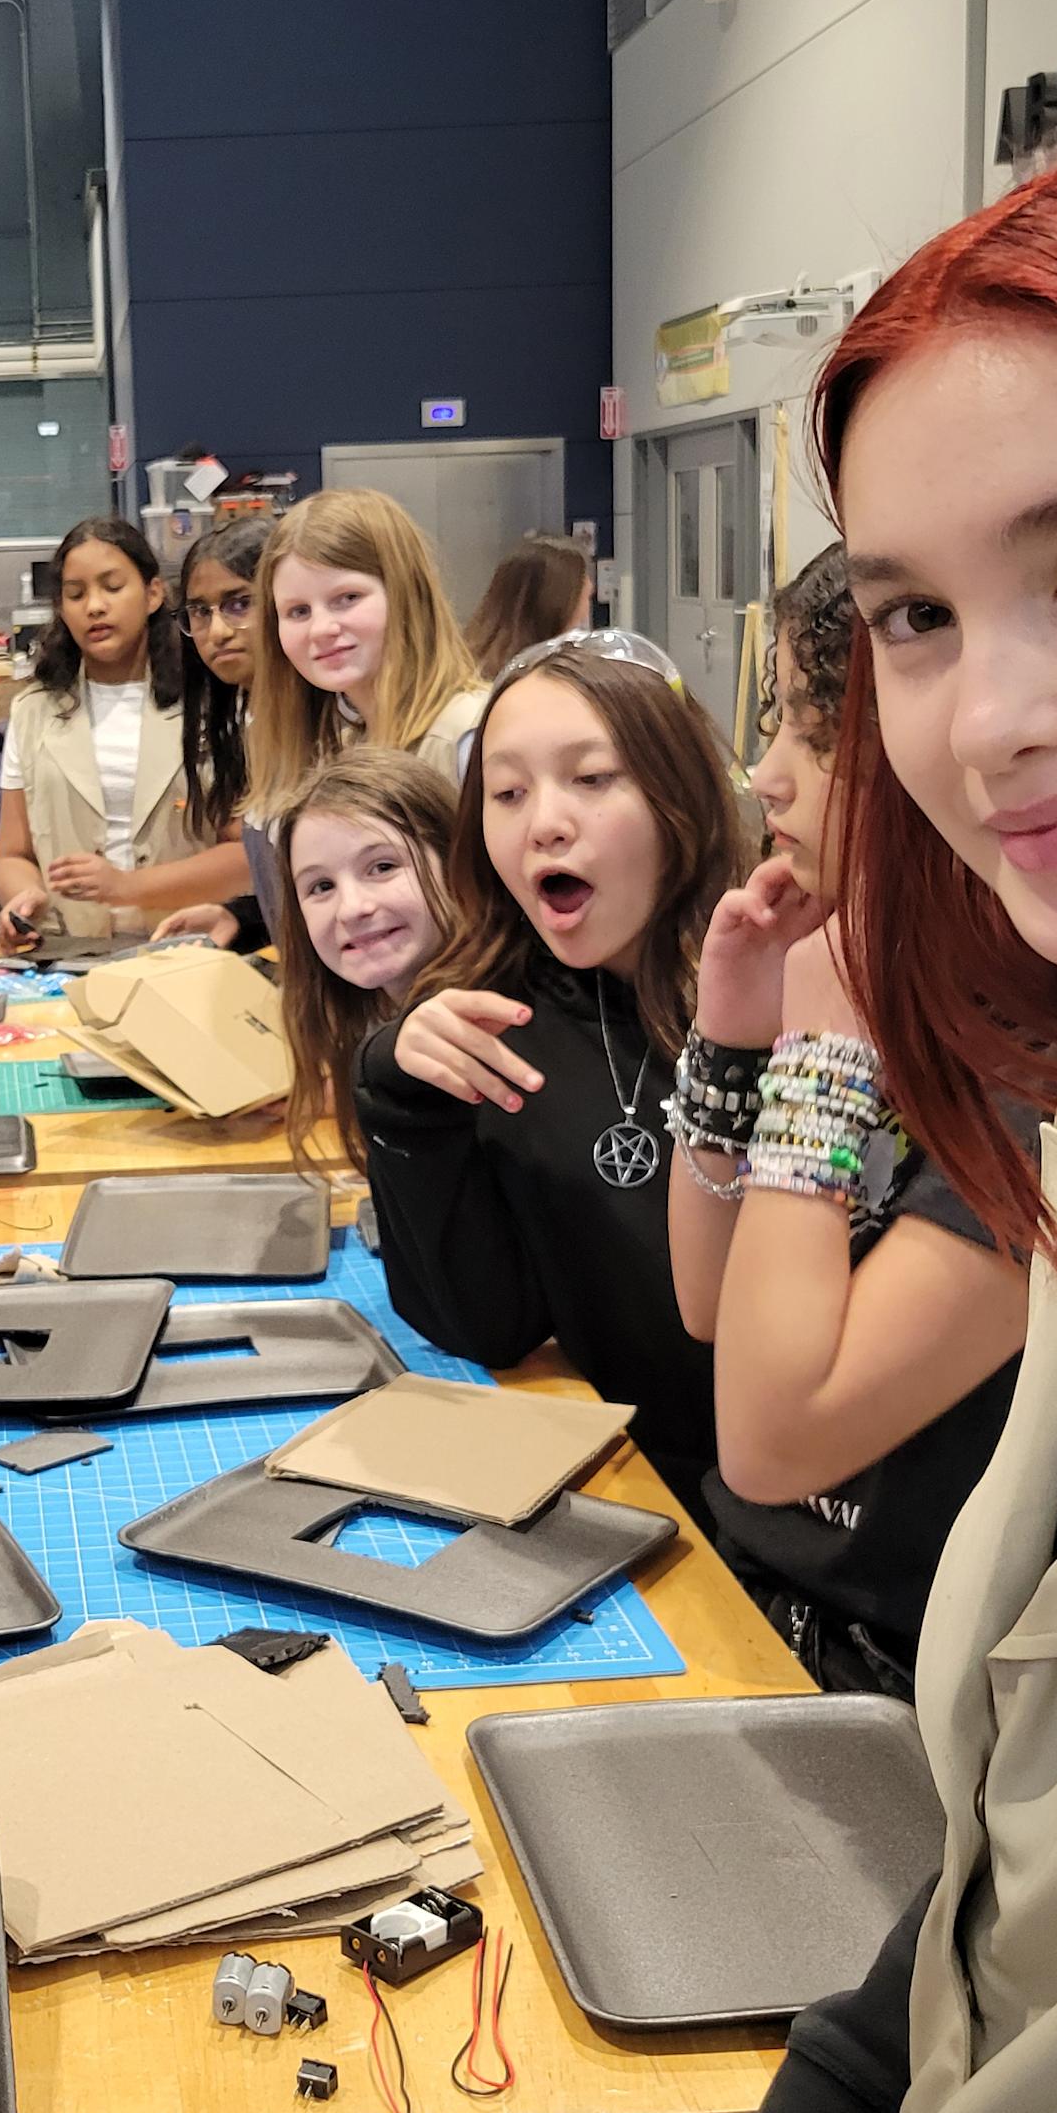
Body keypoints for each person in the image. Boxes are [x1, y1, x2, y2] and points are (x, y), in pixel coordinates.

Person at [630, 95, 1057, 2113]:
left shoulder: (1024, 1075)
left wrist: (819, 1046)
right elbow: (1019, 1873)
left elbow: (772, 1416)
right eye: (915, 621)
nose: (982, 723)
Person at [662, 545, 1028, 1697]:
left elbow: (774, 1441)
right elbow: (708, 1303)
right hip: (754, 1602)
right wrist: (733, 1035)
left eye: (812, 737)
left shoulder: (1035, 1065)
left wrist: (818, 1057)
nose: (766, 776)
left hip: (895, 1682)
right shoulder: (871, 983)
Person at [356, 639, 745, 1520]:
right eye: (507, 793)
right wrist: (398, 1094)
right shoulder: (498, 1019)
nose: (544, 824)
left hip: (806, 1522)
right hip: (625, 1498)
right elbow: (486, 1325)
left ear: (680, 791)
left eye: (592, 779)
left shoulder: (785, 992)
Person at [0, 516, 250, 945]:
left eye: (112, 587)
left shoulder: (212, 705)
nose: (94, 606)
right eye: (76, 594)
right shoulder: (33, 711)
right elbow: (12, 855)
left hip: (188, 947)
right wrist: (23, 898)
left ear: (153, 594)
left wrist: (128, 887)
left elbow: (244, 854)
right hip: (70, 949)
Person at [248, 488, 489, 824]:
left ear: (405, 592)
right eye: (298, 611)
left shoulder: (470, 737)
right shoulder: (338, 744)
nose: (321, 629)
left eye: (348, 598)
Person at [268, 747, 458, 1171]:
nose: (351, 908)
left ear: (455, 862)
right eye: (321, 887)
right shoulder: (378, 1038)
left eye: (382, 867)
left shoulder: (504, 1023)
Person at [152, 512, 278, 951]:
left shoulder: (338, 722)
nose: (218, 631)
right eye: (200, 612)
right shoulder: (244, 717)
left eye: (239, 603)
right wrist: (241, 917)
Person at [465, 532, 594, 678]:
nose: (586, 612)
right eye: (586, 598)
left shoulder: (465, 665)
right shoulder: (547, 678)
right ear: (556, 606)